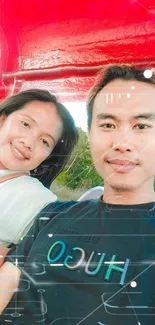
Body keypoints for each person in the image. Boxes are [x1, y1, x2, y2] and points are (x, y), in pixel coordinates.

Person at [0, 64, 155, 325]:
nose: (122, 143)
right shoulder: (50, 215)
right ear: (91, 133)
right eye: (108, 124)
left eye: (141, 126)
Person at [0, 89, 78, 256]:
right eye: (26, 124)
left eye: (45, 141)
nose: (29, 142)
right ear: (3, 119)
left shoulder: (33, 198)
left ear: (48, 157)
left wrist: (10, 259)